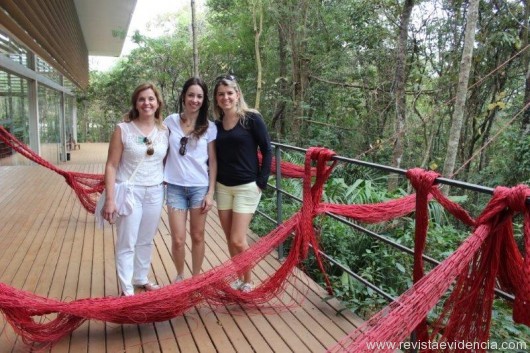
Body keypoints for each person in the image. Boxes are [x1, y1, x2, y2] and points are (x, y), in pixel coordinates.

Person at [102, 83, 169, 296]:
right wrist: (110, 199)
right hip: (130, 191)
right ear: (136, 103)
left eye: (151, 99)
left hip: (155, 192)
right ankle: (127, 289)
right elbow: (111, 165)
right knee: (127, 241)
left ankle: (140, 277)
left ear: (158, 103)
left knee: (145, 239)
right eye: (142, 99)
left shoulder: (164, 131)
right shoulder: (123, 129)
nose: (146, 103)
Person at [212, 74, 272, 293]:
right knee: (229, 238)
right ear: (216, 99)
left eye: (229, 93)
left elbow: (267, 150)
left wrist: (261, 182)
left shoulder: (251, 119)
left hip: (247, 186)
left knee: (238, 238)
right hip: (223, 187)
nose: (225, 97)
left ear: (237, 94)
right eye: (221, 94)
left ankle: (248, 281)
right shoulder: (216, 126)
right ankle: (238, 277)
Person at [164, 77, 217, 283]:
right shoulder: (170, 122)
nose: (195, 100)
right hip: (175, 187)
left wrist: (210, 193)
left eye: (199, 96)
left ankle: (195, 280)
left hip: (199, 188)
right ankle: (179, 277)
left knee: (197, 236)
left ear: (204, 100)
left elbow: (213, 161)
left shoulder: (210, 127)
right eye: (191, 95)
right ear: (183, 97)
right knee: (178, 239)